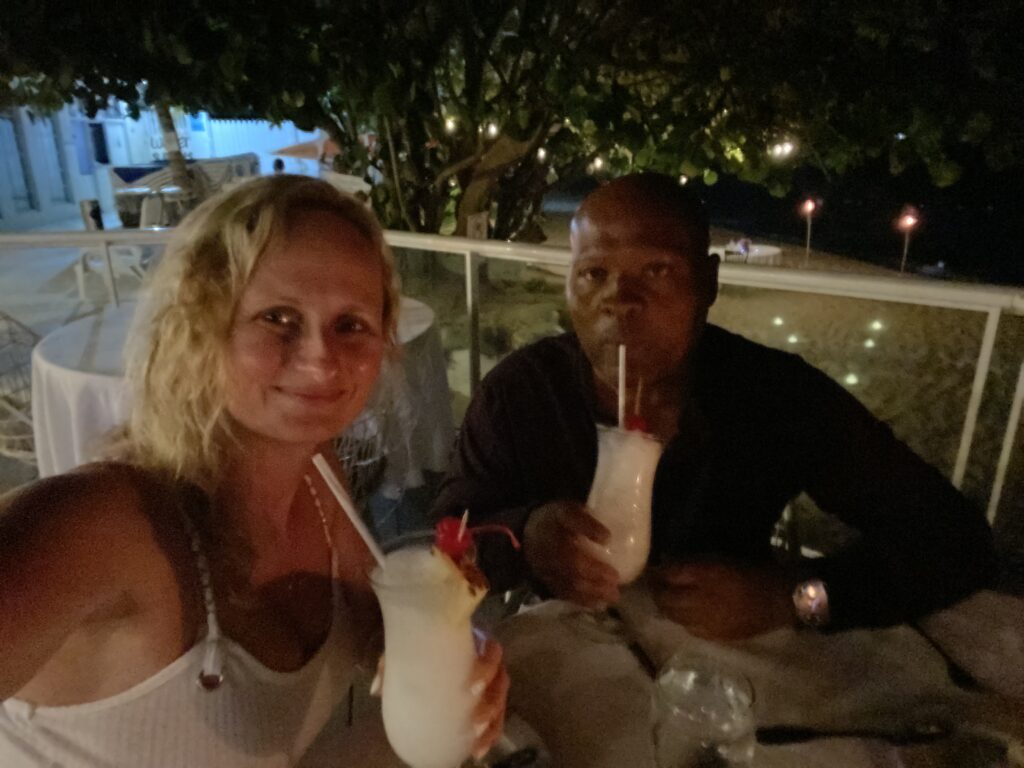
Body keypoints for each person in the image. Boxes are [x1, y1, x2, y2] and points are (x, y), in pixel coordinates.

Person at [0, 175, 507, 766]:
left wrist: (455, 648)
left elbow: (379, 628)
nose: (321, 359)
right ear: (202, 324)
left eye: (351, 325)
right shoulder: (98, 527)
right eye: (278, 318)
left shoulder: (319, 476)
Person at [434, 172, 996, 639]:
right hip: (566, 652)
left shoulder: (775, 395)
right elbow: (448, 537)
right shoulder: (520, 393)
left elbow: (954, 539)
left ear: (708, 283)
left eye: (657, 270)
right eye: (593, 274)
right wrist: (526, 538)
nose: (619, 301)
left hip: (730, 662)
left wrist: (790, 598)